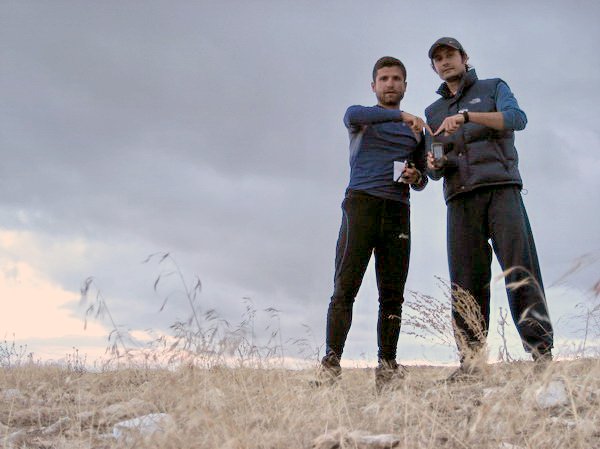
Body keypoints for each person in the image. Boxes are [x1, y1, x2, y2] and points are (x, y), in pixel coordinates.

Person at [424, 37, 554, 380]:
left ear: (464, 58)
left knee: (519, 269)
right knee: (465, 281)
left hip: (501, 190)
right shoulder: (433, 112)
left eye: (450, 55)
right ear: (434, 67)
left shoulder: (494, 87)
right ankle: (472, 363)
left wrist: (467, 117)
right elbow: (435, 165)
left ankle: (542, 354)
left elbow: (517, 118)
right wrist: (431, 165)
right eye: (438, 59)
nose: (445, 62)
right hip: (459, 198)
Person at [319, 56, 430, 391]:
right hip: (361, 205)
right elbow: (351, 114)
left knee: (392, 295)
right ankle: (330, 368)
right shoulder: (363, 120)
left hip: (397, 209)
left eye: (397, 79)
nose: (390, 83)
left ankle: (387, 367)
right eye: (384, 79)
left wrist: (417, 177)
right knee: (344, 289)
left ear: (405, 86)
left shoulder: (416, 131)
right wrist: (401, 115)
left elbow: (426, 177)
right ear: (374, 86)